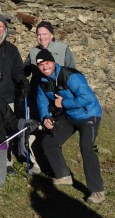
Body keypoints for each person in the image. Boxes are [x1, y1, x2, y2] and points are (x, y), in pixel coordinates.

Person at [34, 49, 105, 204]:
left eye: (47, 63)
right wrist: (45, 117)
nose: (44, 67)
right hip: (69, 116)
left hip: (88, 115)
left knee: (86, 148)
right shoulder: (42, 81)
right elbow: (42, 101)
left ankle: (97, 190)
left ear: (53, 62)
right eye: (40, 65)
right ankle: (63, 175)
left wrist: (63, 103)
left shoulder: (71, 76)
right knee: (49, 141)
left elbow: (87, 98)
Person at [22, 20, 77, 173]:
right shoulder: (33, 52)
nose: (42, 37)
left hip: (57, 98)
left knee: (54, 130)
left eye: (45, 34)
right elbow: (25, 70)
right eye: (38, 34)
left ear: (51, 35)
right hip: (37, 97)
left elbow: (71, 71)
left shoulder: (63, 49)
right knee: (35, 128)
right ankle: (37, 163)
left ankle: (53, 162)